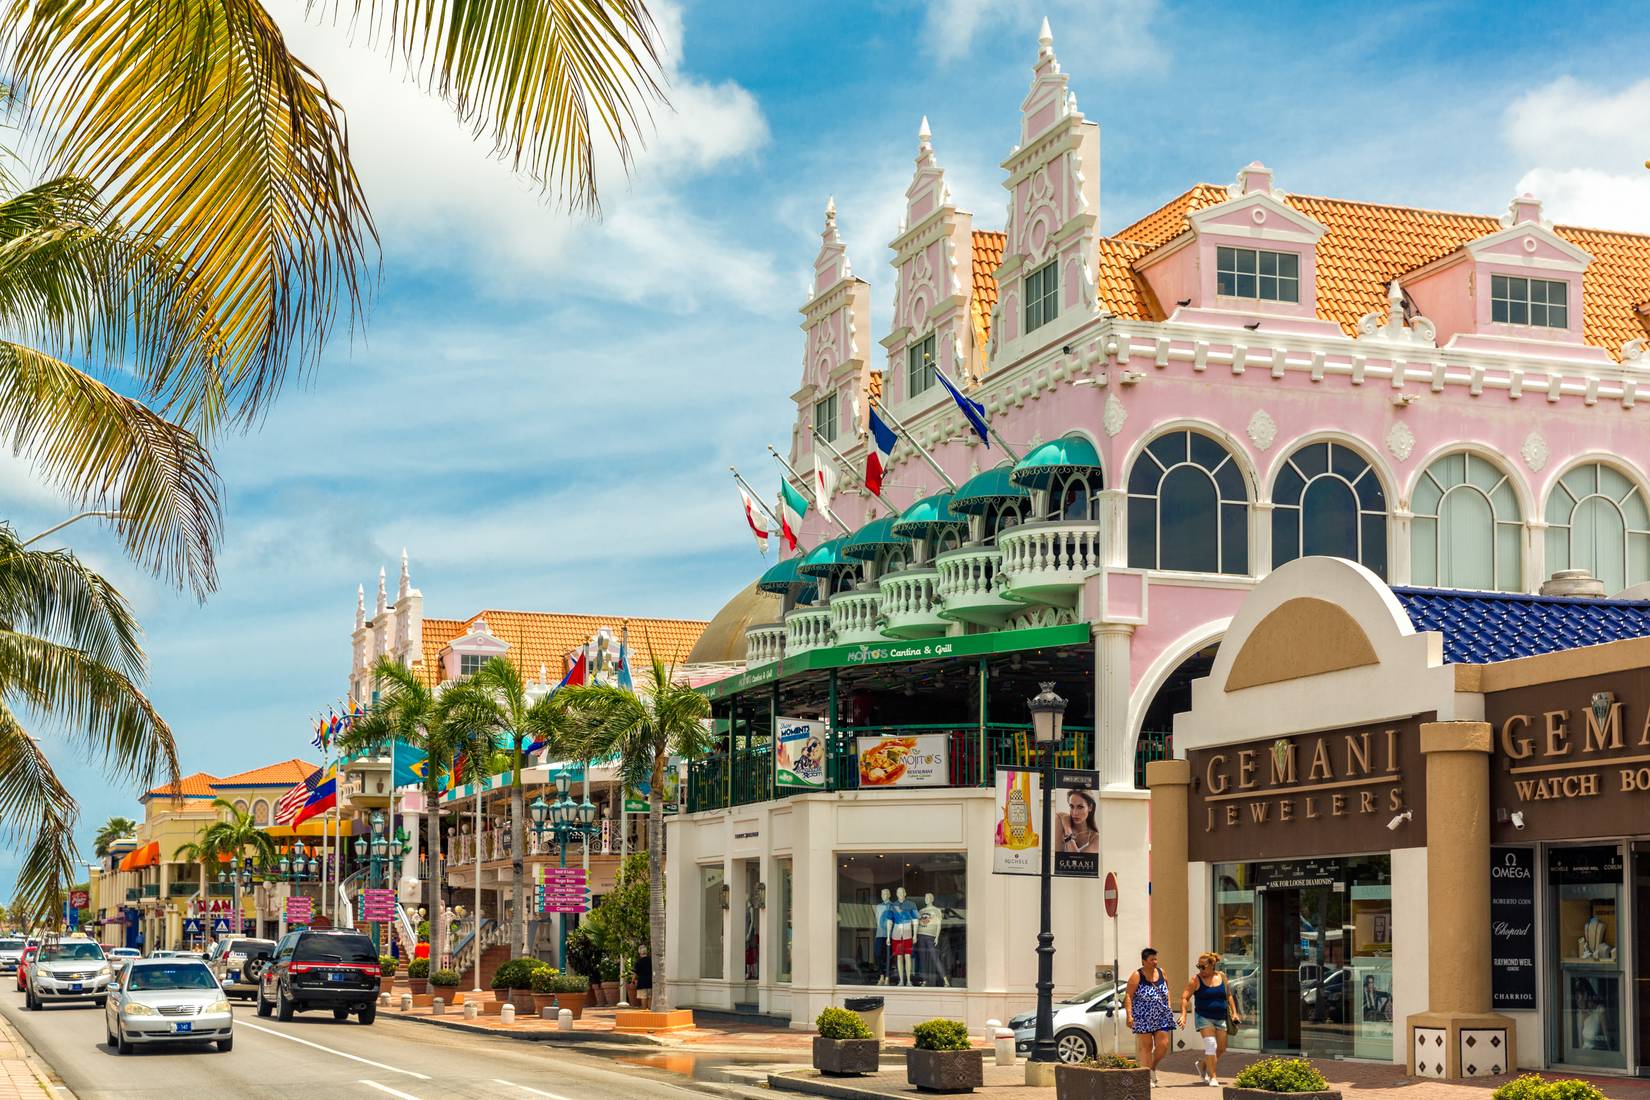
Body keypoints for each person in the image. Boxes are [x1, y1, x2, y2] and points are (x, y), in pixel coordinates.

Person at [1179, 951, 1240, 1087]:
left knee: (1222, 1048)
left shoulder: (1222, 977)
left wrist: (1234, 1013)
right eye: (1198, 966)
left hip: (1221, 1017)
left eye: (1203, 967)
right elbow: (1185, 997)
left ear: (1212, 965)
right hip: (1204, 1017)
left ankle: (1203, 1064)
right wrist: (1183, 1015)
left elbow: (1228, 995)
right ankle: (1212, 1077)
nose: (1200, 969)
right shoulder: (1196, 979)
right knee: (1211, 1045)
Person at [1125, 947, 1176, 1086]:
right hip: (1143, 1016)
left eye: (1156, 959)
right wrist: (1129, 1015)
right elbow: (1128, 995)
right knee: (1147, 1046)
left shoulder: (1161, 972)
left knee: (1163, 1045)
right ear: (1144, 961)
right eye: (1152, 959)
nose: (1155, 962)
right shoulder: (1137, 975)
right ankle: (1146, 1076)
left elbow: (1167, 990)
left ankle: (1152, 1067)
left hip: (1161, 1015)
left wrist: (1169, 1005)